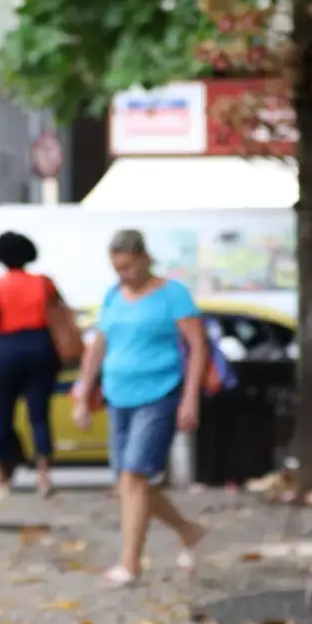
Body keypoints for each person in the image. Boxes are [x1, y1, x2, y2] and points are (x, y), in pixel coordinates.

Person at [72, 229, 208, 588]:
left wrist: (190, 397)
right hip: (118, 396)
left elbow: (198, 346)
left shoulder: (172, 295)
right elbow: (97, 348)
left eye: (129, 267)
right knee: (129, 484)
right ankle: (187, 530)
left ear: (145, 259)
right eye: (118, 269)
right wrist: (84, 395)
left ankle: (130, 565)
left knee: (133, 476)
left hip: (159, 394)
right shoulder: (113, 296)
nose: (124, 275)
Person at [0, 231, 61, 499]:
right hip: (40, 346)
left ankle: (2, 476)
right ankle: (43, 475)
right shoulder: (43, 282)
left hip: (7, 349)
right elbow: (57, 313)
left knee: (3, 413)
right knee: (39, 413)